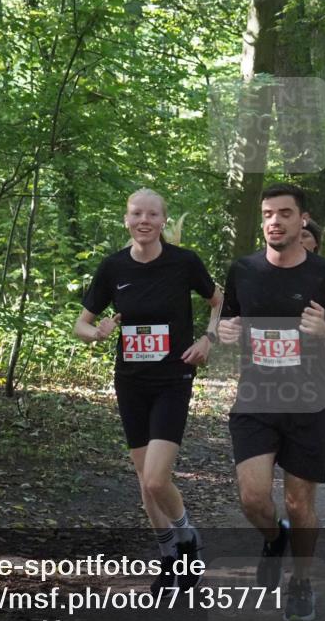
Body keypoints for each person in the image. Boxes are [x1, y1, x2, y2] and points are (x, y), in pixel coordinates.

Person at [218, 183, 325, 621]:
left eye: (284, 213)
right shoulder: (242, 270)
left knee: (300, 505)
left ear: (303, 221)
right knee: (253, 500)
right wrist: (223, 334)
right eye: (267, 214)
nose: (274, 221)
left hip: (307, 401)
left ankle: (299, 581)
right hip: (256, 398)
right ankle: (274, 539)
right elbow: (228, 323)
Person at [75, 188, 223, 592]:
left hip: (173, 379)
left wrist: (208, 340)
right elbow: (81, 324)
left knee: (157, 479)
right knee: (144, 481)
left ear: (163, 222)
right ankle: (170, 559)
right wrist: (97, 333)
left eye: (152, 214)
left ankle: (188, 536)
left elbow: (218, 300)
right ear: (126, 220)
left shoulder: (184, 262)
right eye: (136, 213)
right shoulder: (113, 268)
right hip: (131, 382)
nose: (144, 220)